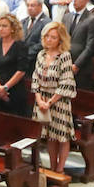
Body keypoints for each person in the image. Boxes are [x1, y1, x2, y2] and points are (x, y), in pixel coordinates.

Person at [32, 21, 77, 173]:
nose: (49, 40)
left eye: (53, 37)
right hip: (42, 99)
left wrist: (50, 102)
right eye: (47, 36)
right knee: (51, 136)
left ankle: (60, 169)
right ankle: (51, 167)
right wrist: (39, 100)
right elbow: (35, 79)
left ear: (60, 39)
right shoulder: (41, 54)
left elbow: (66, 82)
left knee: (61, 137)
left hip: (59, 101)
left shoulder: (64, 56)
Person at [63, 0, 94, 90]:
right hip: (64, 64)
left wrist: (77, 65)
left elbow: (90, 47)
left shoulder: (91, 19)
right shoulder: (67, 16)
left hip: (81, 67)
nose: (74, 0)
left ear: (86, 0)